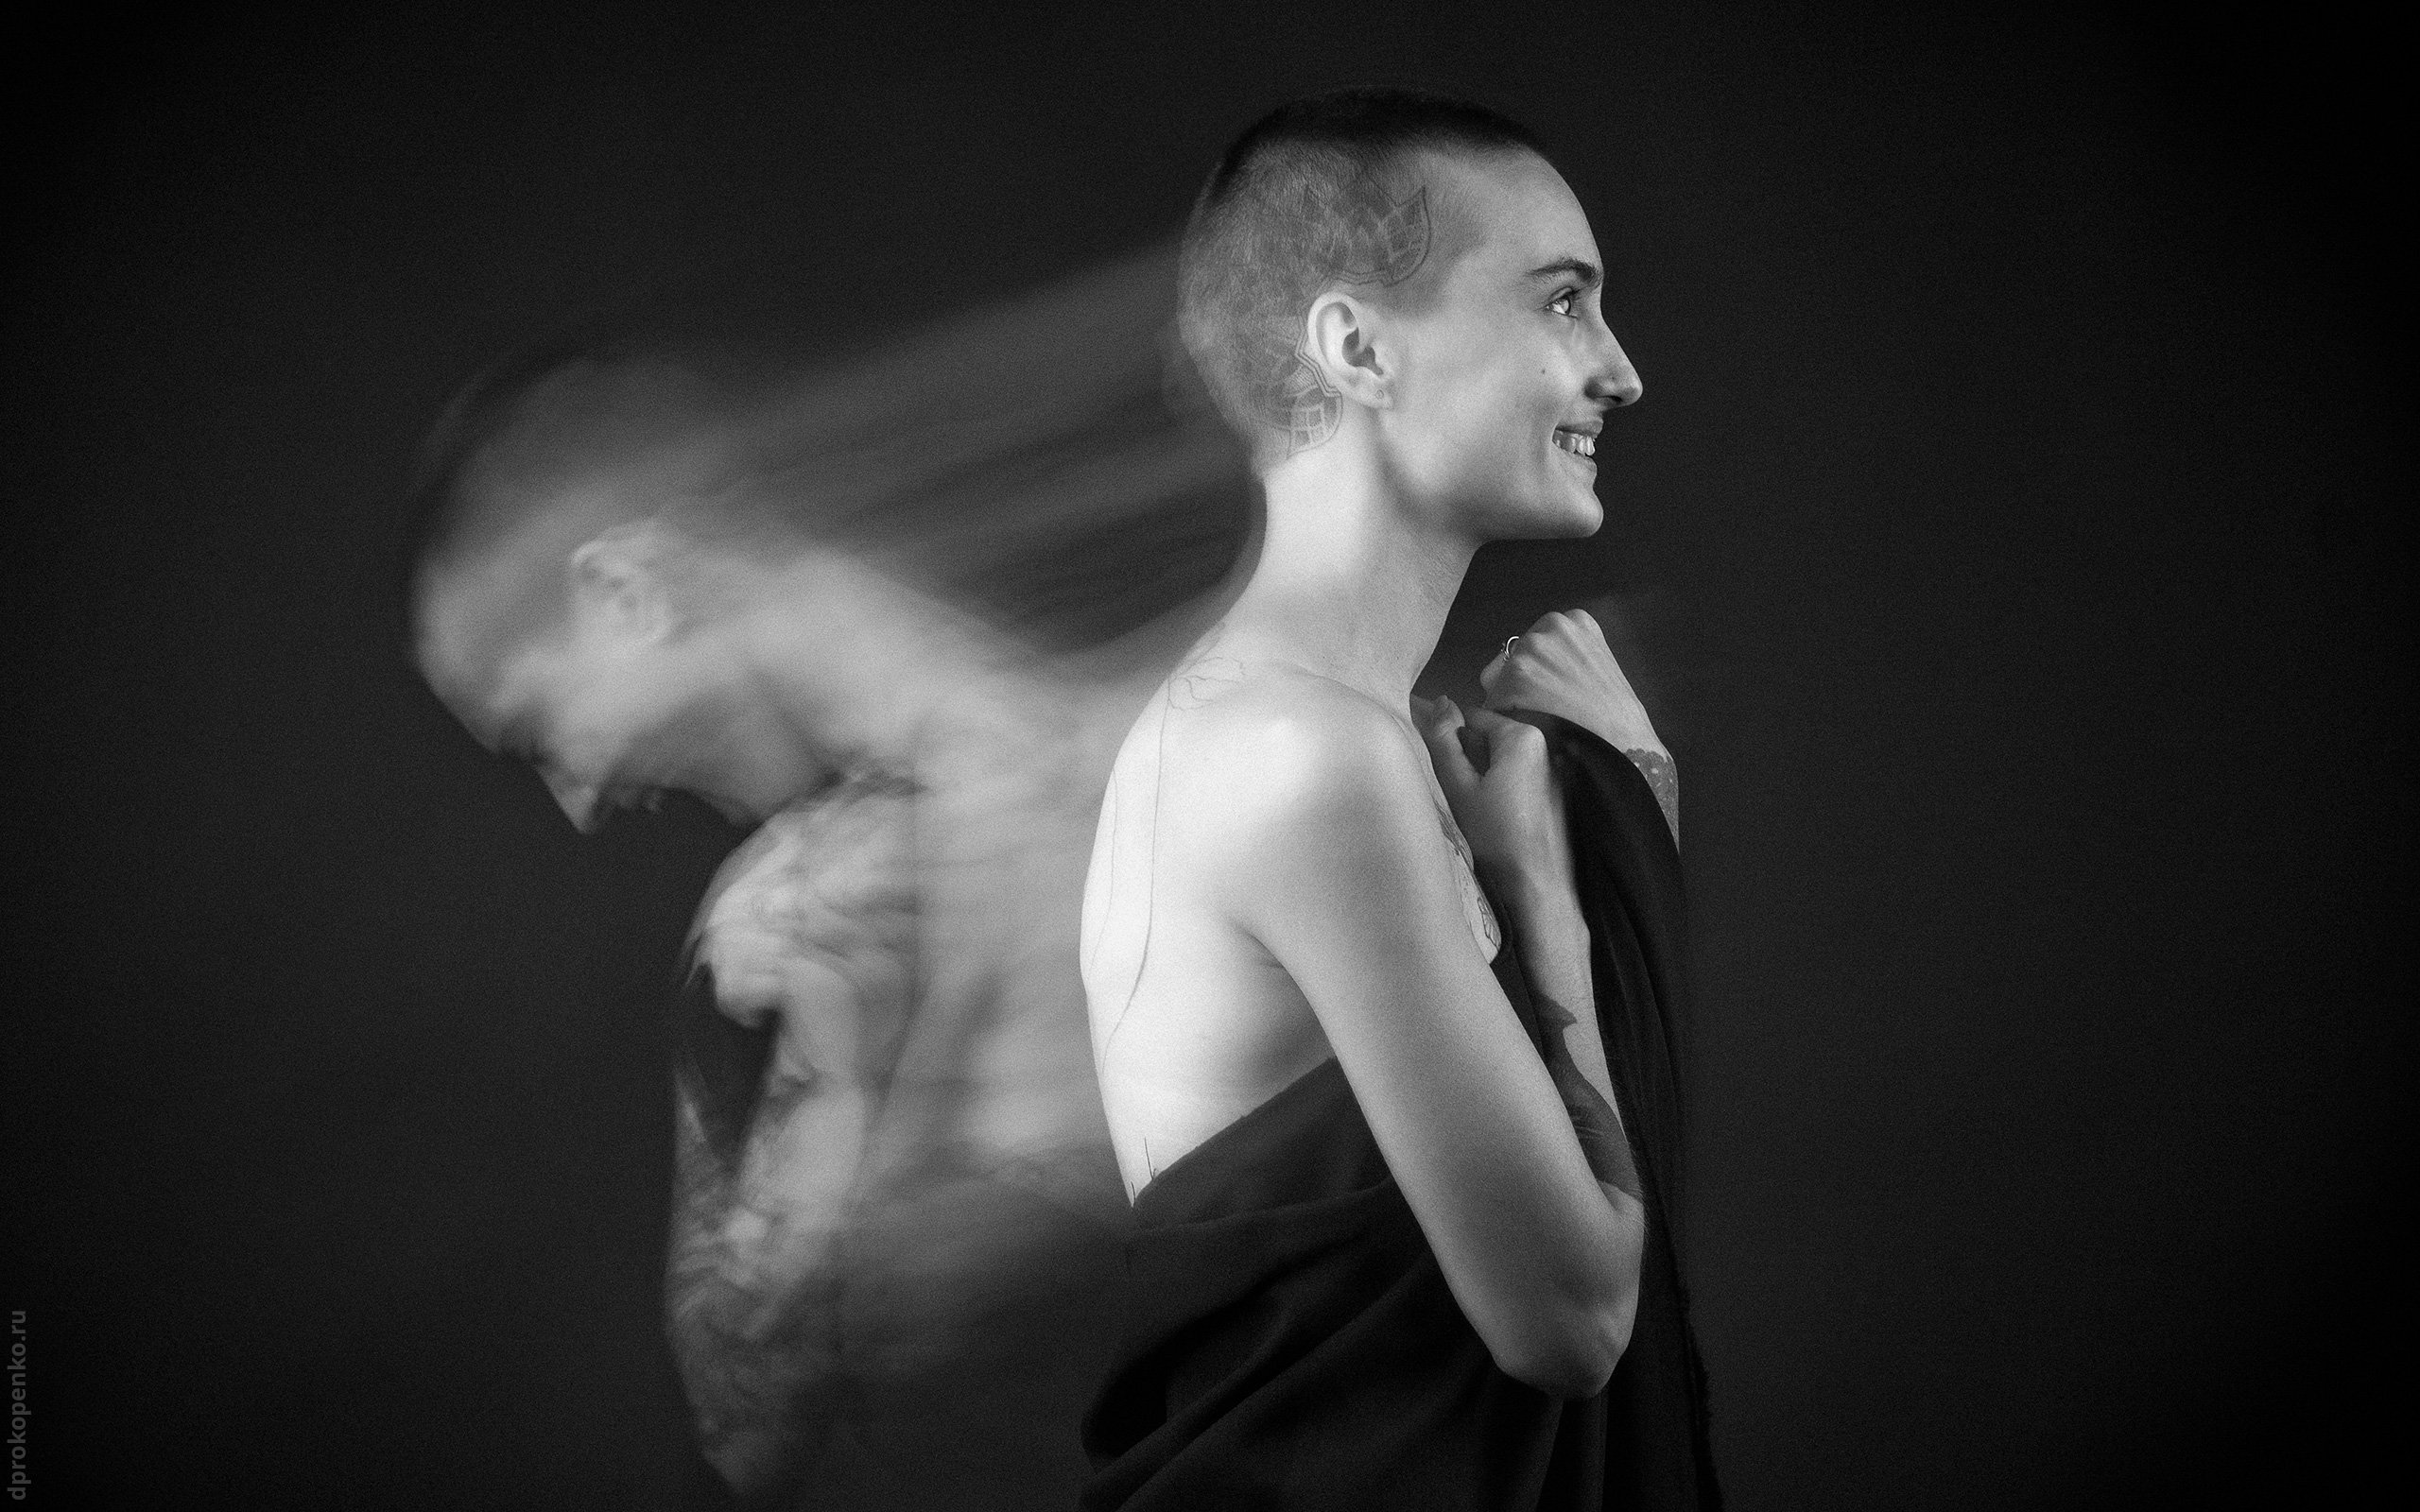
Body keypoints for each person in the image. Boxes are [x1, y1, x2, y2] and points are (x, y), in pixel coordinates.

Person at [406, 262, 1253, 1507]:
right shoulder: (919, 844)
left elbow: (782, 1414)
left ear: (628, 592)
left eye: (539, 731)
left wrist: (884, 1197)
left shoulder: (998, 847)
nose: (578, 796)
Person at [1078, 88, 1719, 1508]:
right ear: (1360, 349)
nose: (1619, 372)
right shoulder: (1300, 755)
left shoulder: (1320, 733)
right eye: (1562, 303)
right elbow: (1572, 1321)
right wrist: (1559, 889)